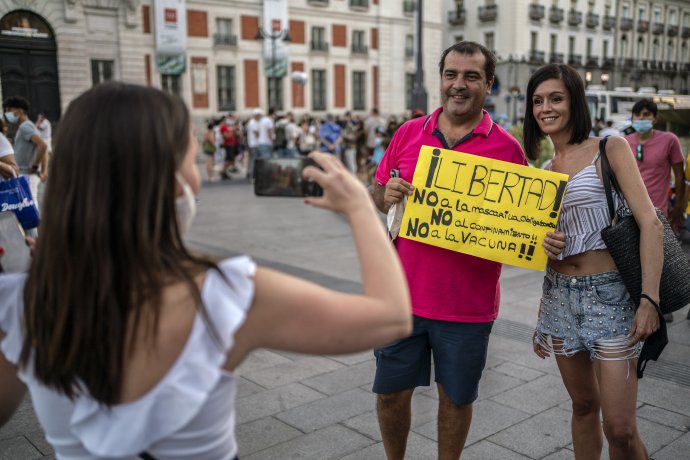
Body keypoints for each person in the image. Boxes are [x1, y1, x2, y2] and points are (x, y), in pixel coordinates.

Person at [0, 82, 412, 458]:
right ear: (170, 183)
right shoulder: (227, 293)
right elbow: (390, 317)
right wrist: (359, 207)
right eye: (193, 161)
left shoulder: (21, 302)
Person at [371, 42, 532, 459]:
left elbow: (523, 226)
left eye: (471, 76)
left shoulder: (508, 150)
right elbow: (378, 191)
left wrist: (540, 238)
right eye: (451, 74)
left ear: (489, 84)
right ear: (440, 79)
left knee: (456, 400)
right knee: (389, 395)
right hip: (401, 297)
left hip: (466, 307)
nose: (458, 84)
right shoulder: (408, 133)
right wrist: (386, 194)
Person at [527, 64, 662, 460]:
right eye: (538, 101)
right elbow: (550, 244)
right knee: (583, 406)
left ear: (574, 102)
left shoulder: (609, 148)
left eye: (556, 98)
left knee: (620, 429)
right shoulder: (545, 171)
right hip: (559, 297)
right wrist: (546, 246)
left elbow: (650, 223)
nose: (546, 108)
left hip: (610, 296)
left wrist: (649, 300)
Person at [624, 98, 684, 323]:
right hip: (628, 212)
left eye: (647, 115)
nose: (642, 119)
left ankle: (662, 304)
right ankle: (638, 302)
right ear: (632, 117)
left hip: (658, 212)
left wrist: (679, 207)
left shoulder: (669, 140)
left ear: (655, 118)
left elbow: (680, 176)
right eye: (638, 115)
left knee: (660, 259)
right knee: (633, 260)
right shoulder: (624, 142)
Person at [2, 97, 48, 204]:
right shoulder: (28, 126)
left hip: (27, 174)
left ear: (20, 111)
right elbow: (42, 147)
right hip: (27, 174)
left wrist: (35, 166)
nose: (7, 113)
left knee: (30, 206)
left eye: (9, 110)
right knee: (28, 205)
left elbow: (43, 146)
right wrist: (43, 171)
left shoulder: (25, 127)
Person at [219, 115, 239, 180]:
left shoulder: (228, 127)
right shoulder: (223, 127)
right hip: (228, 145)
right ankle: (223, 171)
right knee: (229, 159)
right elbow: (226, 136)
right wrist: (232, 131)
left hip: (232, 144)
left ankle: (224, 171)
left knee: (230, 159)